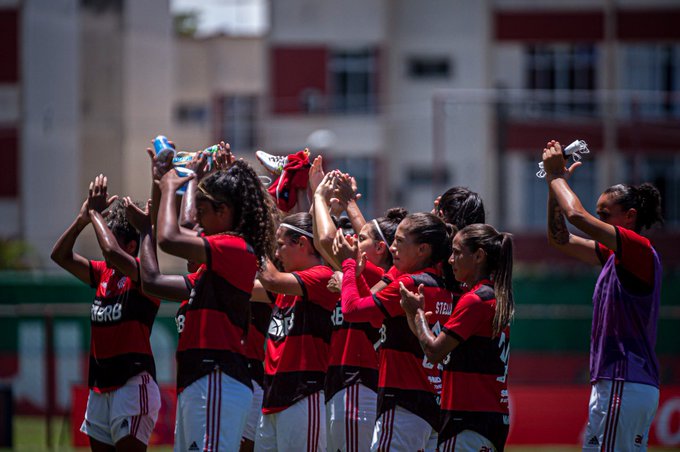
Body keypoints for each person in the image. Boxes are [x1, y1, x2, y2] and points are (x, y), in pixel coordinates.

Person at [134, 147, 277, 452]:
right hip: (200, 379)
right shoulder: (212, 270)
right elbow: (151, 281)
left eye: (202, 210)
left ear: (224, 211)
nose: (196, 219)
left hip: (217, 378)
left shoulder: (236, 247)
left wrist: (173, 185)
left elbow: (172, 237)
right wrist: (146, 228)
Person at [542, 140, 663, 451]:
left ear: (630, 217)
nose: (597, 220)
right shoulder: (615, 256)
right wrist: (556, 186)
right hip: (624, 384)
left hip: (623, 381)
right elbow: (559, 239)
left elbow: (577, 217)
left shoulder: (639, 249)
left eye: (604, 214)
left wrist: (555, 176)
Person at [51, 175, 161, 452]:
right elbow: (60, 256)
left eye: (112, 236)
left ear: (132, 247)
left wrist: (94, 213)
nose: (104, 242)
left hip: (132, 386)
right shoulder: (103, 273)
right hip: (100, 388)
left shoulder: (142, 273)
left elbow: (111, 250)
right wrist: (82, 221)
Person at [340, 213, 454, 451]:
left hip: (403, 404)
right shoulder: (443, 287)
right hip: (432, 404)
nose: (392, 248)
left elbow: (352, 310)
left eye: (400, 241)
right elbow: (373, 318)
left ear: (423, 249)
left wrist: (348, 265)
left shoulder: (411, 284)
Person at [312, 171, 407, 451]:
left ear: (381, 248)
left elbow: (327, 242)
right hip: (343, 384)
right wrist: (345, 201)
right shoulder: (370, 272)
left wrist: (319, 195)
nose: (353, 239)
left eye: (360, 238)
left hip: (358, 387)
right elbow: (325, 241)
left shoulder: (375, 274)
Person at [401, 224, 514, 451]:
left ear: (479, 256)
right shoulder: (494, 296)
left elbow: (433, 352)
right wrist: (413, 315)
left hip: (467, 421)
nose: (450, 260)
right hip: (488, 419)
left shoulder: (475, 300)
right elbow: (433, 348)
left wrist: (419, 313)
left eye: (457, 252)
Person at [251, 212, 336, 452]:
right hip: (273, 397)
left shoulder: (322, 276)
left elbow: (270, 278)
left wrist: (254, 233)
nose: (276, 254)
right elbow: (245, 288)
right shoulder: (284, 284)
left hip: (302, 395)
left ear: (302, 243)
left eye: (280, 246)